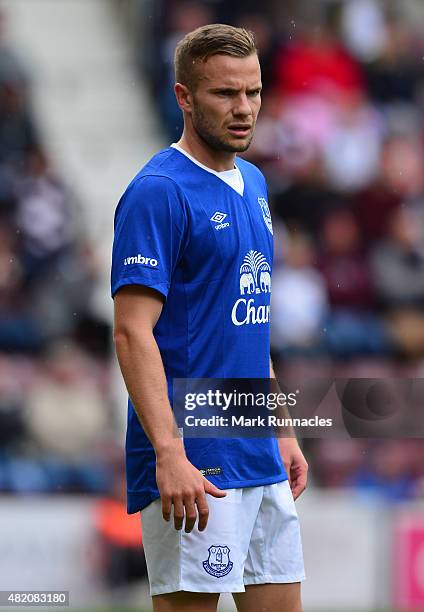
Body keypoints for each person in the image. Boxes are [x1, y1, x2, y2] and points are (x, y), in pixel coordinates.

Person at [112, 24, 307, 612]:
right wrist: (170, 452)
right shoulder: (158, 191)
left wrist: (283, 428)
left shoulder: (254, 182)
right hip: (193, 459)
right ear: (184, 97)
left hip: (257, 451)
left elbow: (247, 316)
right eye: (225, 94)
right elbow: (131, 330)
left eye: (253, 91)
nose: (244, 109)